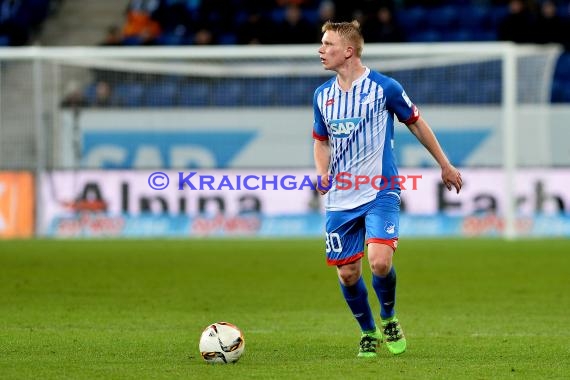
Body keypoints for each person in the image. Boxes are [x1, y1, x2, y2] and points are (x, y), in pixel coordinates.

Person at [312, 20, 462, 358]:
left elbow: (416, 123)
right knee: (349, 273)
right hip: (341, 195)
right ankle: (368, 331)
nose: (321, 50)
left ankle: (389, 317)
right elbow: (320, 141)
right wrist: (322, 172)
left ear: (348, 51)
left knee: (379, 263)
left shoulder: (385, 88)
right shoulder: (322, 96)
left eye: (327, 44)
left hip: (381, 189)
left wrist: (445, 164)